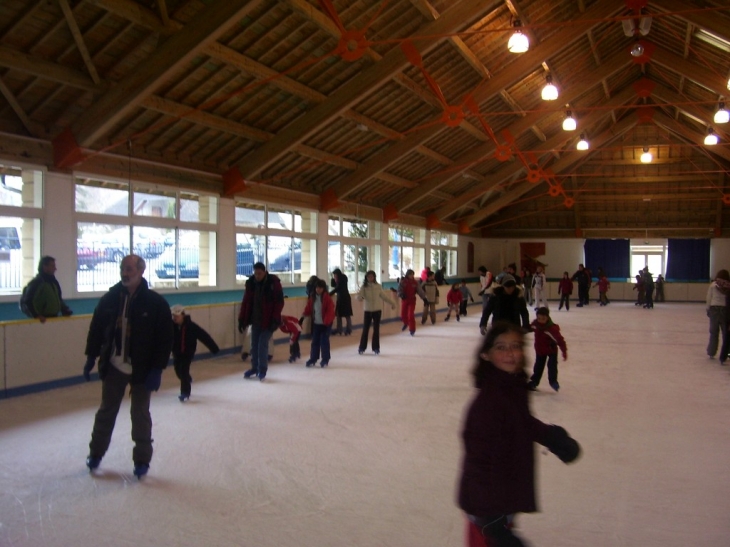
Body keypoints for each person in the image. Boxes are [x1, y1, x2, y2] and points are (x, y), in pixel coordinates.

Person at [457, 322, 581, 547]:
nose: (510, 353)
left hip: (502, 500)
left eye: (515, 346)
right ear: (486, 354)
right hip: (487, 513)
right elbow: (477, 464)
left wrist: (552, 437)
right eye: (501, 347)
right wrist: (490, 522)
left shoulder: (512, 387)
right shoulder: (488, 402)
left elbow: (521, 423)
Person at [82, 254, 174, 478]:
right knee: (106, 410)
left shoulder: (155, 303)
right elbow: (96, 328)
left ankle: (142, 459)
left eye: (130, 268)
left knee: (140, 414)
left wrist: (157, 369)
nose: (125, 272)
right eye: (123, 268)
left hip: (142, 369)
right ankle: (96, 452)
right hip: (114, 365)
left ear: (141, 271)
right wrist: (92, 356)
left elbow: (165, 338)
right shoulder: (111, 298)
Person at [238, 262, 284, 381]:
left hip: (269, 321)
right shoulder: (251, 284)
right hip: (256, 320)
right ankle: (254, 368)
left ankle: (262, 369)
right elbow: (246, 302)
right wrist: (242, 319)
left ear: (264, 272)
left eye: (259, 273)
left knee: (262, 344)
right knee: (254, 345)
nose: (257, 276)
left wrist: (275, 318)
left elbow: (279, 302)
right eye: (255, 273)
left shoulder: (273, 283)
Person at [170, 304, 219, 402]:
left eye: (176, 316)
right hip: (176, 353)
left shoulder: (191, 326)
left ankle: (185, 392)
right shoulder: (171, 327)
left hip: (187, 353)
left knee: (183, 371)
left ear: (183, 315)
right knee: (178, 371)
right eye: (173, 316)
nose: (174, 318)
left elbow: (204, 336)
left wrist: (214, 348)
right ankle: (187, 379)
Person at [20, 256, 73, 322]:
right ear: (45, 267)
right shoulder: (36, 282)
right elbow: (27, 301)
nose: (55, 268)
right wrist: (36, 315)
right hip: (42, 320)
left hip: (54, 317)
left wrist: (65, 310)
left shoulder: (54, 282)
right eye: (52, 266)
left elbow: (59, 299)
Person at [527, 307, 567, 392]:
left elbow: (560, 340)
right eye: (539, 318)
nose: (541, 321)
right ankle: (534, 382)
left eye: (543, 319)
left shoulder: (551, 329)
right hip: (540, 350)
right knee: (538, 366)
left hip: (551, 351)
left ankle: (553, 382)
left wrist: (564, 351)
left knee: (552, 366)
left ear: (547, 318)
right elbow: (529, 328)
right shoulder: (535, 325)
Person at [356, 270, 396, 355]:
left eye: (371, 276)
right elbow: (359, 296)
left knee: (376, 329)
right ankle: (362, 347)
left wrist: (392, 303)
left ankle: (376, 348)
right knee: (365, 329)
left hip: (377, 311)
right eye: (368, 277)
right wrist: (359, 297)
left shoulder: (378, 286)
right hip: (367, 310)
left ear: (374, 277)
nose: (370, 278)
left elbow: (384, 296)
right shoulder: (364, 287)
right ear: (366, 278)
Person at [302, 279, 335, 367]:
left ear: (324, 288)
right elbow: (308, 308)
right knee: (315, 342)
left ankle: (325, 359)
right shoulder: (313, 297)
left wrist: (327, 322)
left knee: (324, 342)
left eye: (320, 288)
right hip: (316, 323)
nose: (318, 289)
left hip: (326, 324)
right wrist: (303, 317)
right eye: (317, 287)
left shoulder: (327, 298)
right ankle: (313, 358)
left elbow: (330, 311)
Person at [706, 269, 730, 362]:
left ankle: (711, 352)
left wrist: (708, 309)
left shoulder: (713, 285)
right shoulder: (728, 285)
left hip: (714, 309)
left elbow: (709, 297)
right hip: (725, 310)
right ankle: (726, 352)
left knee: (713, 332)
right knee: (726, 333)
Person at [398, 269, 427, 336]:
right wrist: (401, 295)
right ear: (407, 275)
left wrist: (424, 298)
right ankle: (406, 323)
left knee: (410, 315)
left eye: (412, 274)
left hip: (412, 300)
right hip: (405, 300)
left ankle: (412, 329)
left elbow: (420, 291)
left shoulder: (415, 283)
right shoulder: (403, 282)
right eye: (410, 274)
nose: (411, 276)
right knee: (403, 315)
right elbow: (399, 290)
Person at [330, 268, 353, 336]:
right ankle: (339, 329)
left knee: (347, 315)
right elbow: (333, 286)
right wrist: (333, 279)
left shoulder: (343, 278)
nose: (335, 276)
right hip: (340, 299)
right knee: (338, 314)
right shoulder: (338, 279)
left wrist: (329, 294)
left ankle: (348, 329)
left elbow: (337, 288)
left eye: (335, 275)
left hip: (345, 298)